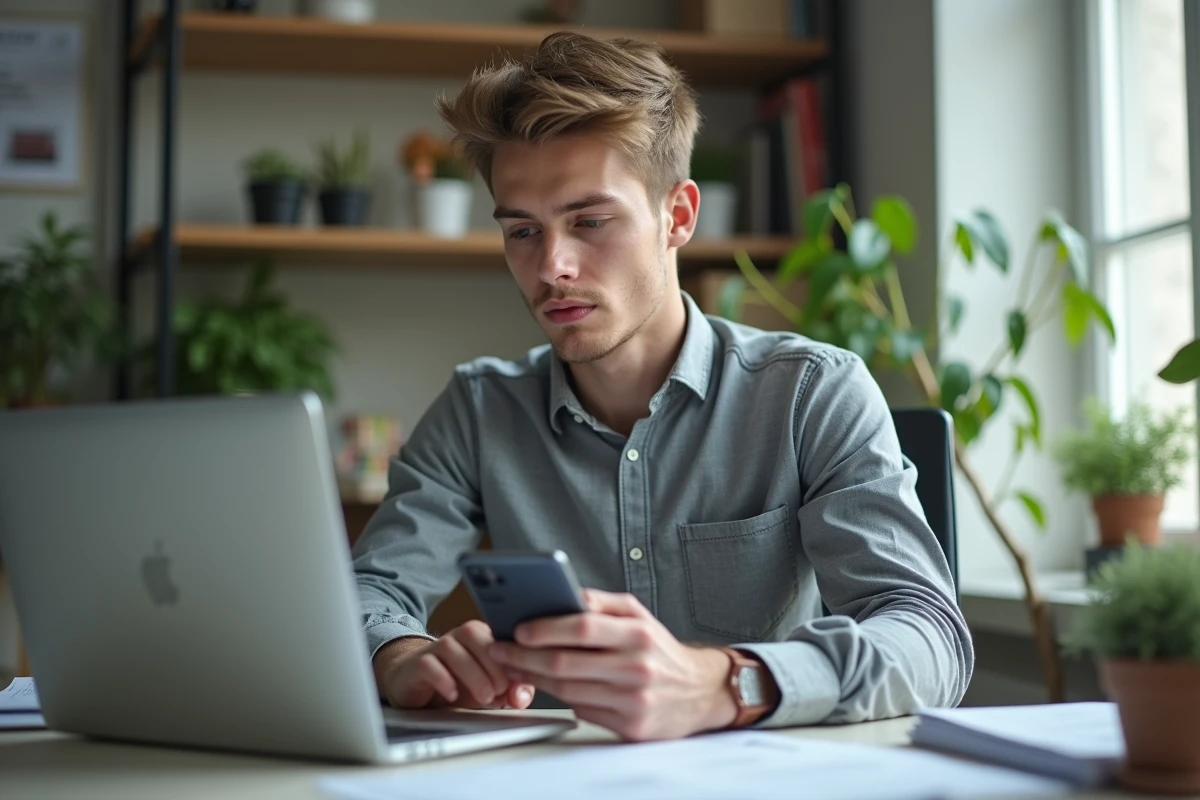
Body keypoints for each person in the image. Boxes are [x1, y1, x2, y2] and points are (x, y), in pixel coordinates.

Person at [354, 31, 973, 742]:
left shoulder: (811, 393)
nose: (552, 265)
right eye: (523, 231)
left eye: (589, 221)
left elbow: (929, 637)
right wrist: (401, 655)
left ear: (677, 216)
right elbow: (368, 592)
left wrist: (729, 682)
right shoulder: (478, 409)